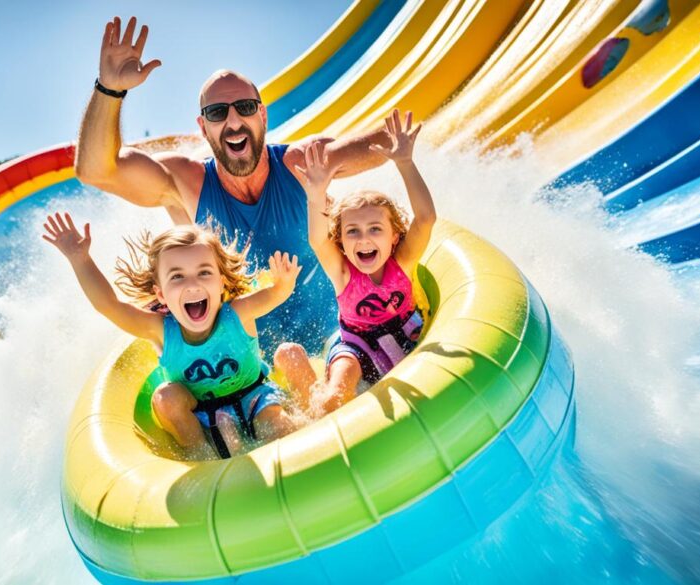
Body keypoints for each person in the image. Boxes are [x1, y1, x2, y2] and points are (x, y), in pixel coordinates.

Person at [75, 16, 395, 353]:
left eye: (244, 108)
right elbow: (96, 171)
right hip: (247, 371)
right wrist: (110, 90)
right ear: (203, 128)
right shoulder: (185, 183)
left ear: (263, 116)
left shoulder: (301, 164)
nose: (233, 121)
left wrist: (397, 138)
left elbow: (378, 146)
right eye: (216, 113)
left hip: (344, 336)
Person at [42, 212, 304, 459]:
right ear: (161, 294)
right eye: (177, 277)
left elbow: (275, 295)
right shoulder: (160, 331)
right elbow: (108, 306)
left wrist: (284, 283)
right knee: (166, 398)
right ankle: (202, 456)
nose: (192, 284)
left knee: (276, 426)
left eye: (204, 272)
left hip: (255, 395)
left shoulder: (238, 313)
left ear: (221, 282)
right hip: (202, 412)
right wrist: (80, 259)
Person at [275, 110, 437, 415]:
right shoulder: (343, 273)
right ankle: (319, 421)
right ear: (342, 242)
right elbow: (318, 240)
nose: (363, 239)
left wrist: (405, 163)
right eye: (353, 232)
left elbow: (426, 218)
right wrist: (316, 193)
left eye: (375, 229)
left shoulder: (402, 260)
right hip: (356, 346)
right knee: (337, 392)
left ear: (393, 236)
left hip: (404, 334)